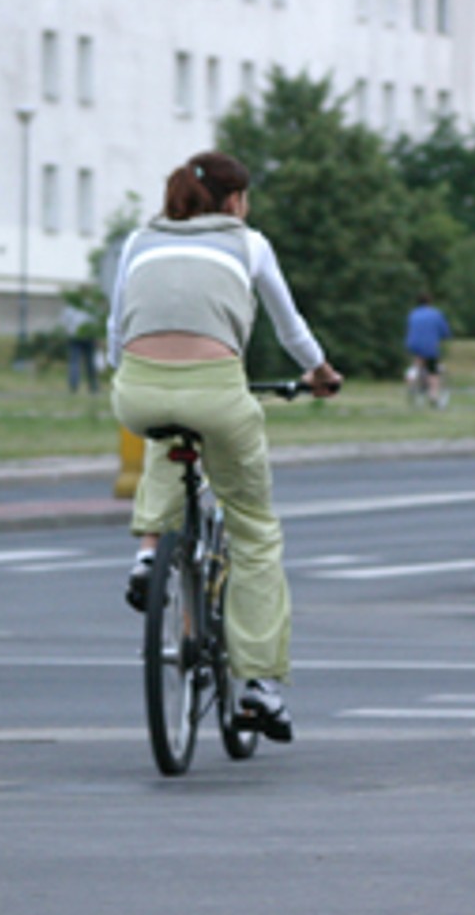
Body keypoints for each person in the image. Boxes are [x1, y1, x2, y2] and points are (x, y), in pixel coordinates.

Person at [106, 152, 343, 742]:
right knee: (255, 530)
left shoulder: (139, 240)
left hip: (136, 390)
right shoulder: (249, 243)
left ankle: (147, 554)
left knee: (167, 432)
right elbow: (290, 330)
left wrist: (137, 368)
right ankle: (260, 684)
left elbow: (116, 331)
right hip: (217, 393)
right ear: (235, 201)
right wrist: (320, 373)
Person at [405, 293, 452, 409]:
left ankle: (411, 379)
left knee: (418, 363)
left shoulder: (413, 314)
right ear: (430, 302)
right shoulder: (436, 314)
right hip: (429, 345)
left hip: (413, 344)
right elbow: (445, 332)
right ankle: (433, 397)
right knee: (433, 371)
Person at [60, 300, 99, 394]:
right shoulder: (90, 305)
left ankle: (75, 386)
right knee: (88, 363)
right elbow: (95, 321)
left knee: (77, 362)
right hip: (85, 336)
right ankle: (91, 385)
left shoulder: (71, 306)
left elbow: (64, 321)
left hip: (77, 336)